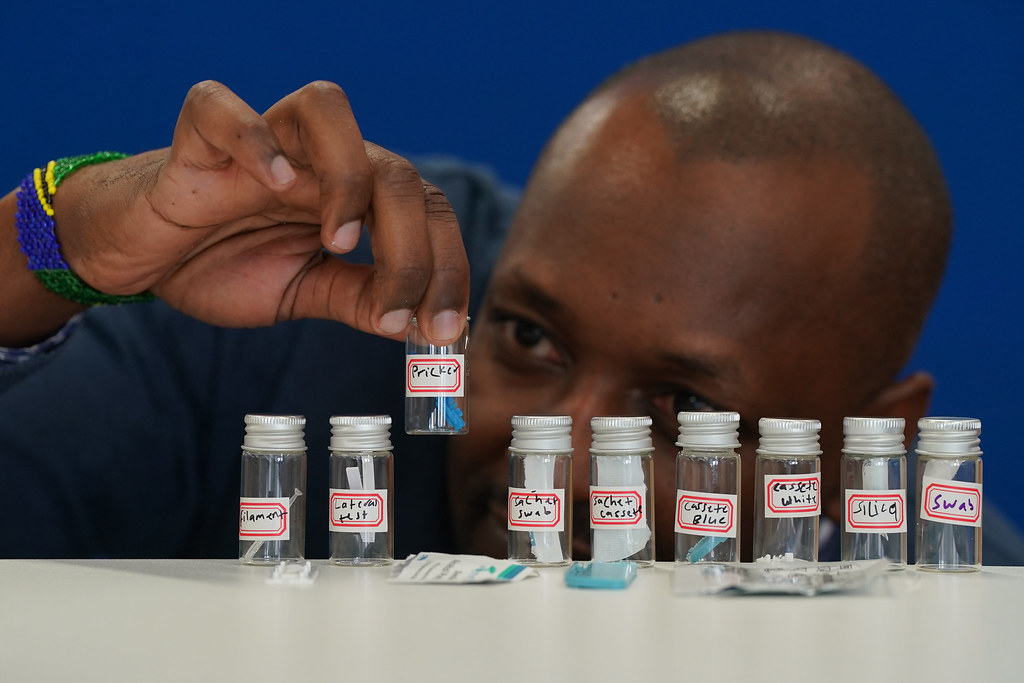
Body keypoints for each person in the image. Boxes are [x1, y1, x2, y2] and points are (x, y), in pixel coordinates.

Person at [1, 31, 1021, 562]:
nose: (563, 457)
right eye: (530, 336)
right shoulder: (304, 313)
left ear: (861, 451)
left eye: (686, 412)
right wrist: (48, 241)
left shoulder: (961, 616)